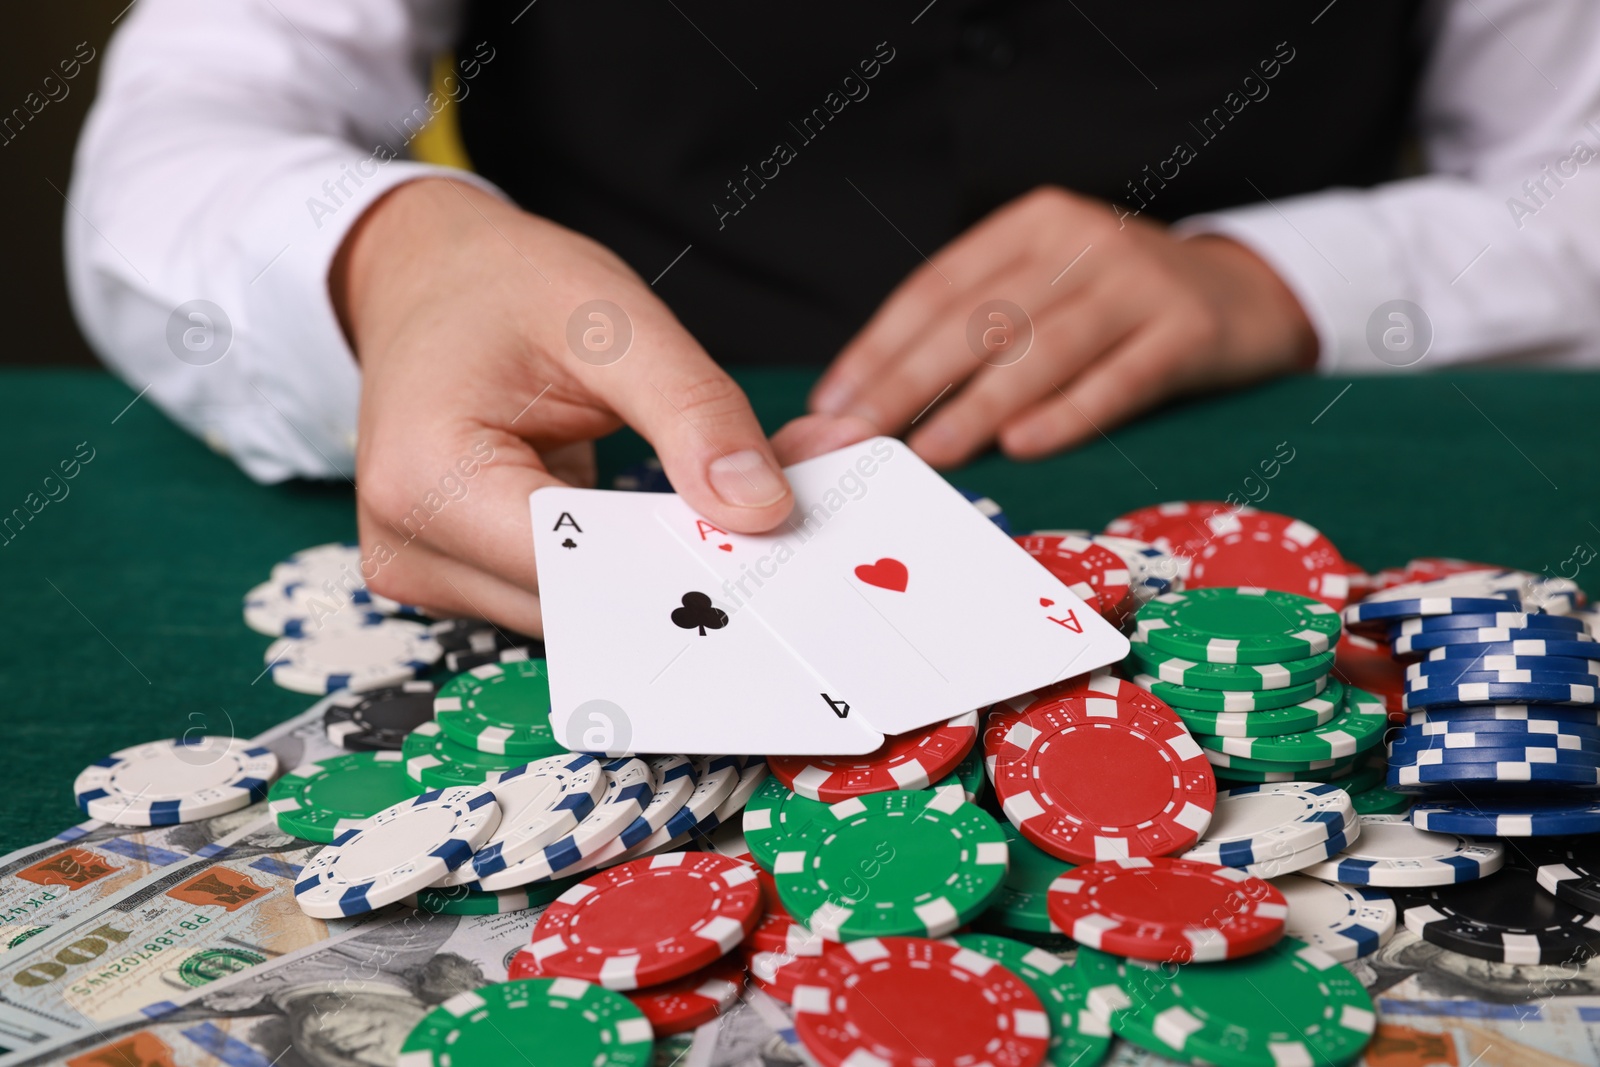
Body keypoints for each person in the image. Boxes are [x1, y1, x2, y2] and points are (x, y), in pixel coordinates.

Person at [66, 1, 1600, 634]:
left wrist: (1280, 282)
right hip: (622, 456)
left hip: (1252, 438)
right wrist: (395, 258)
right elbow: (175, 136)